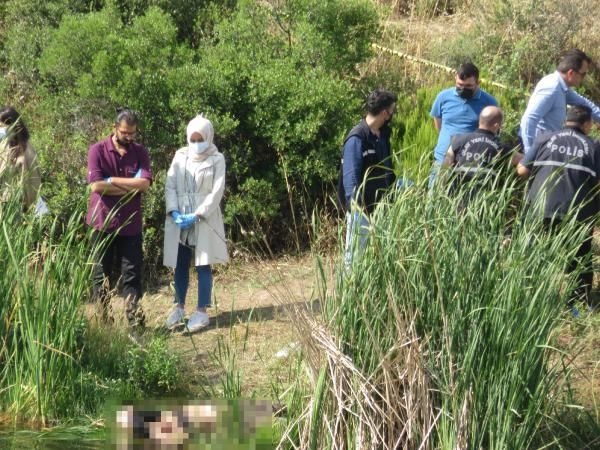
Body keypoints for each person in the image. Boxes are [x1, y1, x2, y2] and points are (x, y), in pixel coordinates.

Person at [517, 105, 600, 307]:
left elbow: (521, 170)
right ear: (587, 124)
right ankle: (577, 306)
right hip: (577, 213)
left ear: (565, 121)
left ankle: (530, 299)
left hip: (540, 208)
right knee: (579, 258)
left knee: (535, 253)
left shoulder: (544, 138)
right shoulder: (593, 146)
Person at [86, 108, 152, 328]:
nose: (129, 137)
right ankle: (104, 322)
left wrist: (112, 180)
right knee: (100, 274)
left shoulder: (140, 152)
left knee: (132, 274)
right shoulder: (97, 150)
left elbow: (144, 184)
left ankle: (135, 322)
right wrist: (131, 188)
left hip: (131, 225)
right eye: (125, 133)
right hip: (102, 223)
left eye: (132, 133)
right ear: (114, 128)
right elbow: (96, 185)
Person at [163, 115, 228, 332]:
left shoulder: (217, 159)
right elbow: (171, 184)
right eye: (193, 139)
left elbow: (217, 191)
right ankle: (179, 307)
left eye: (201, 138)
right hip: (180, 218)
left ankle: (201, 311)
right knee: (180, 263)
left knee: (203, 264)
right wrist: (173, 210)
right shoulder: (180, 156)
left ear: (209, 137)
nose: (197, 143)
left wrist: (199, 214)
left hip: (204, 218)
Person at [340, 89, 396, 265]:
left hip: (382, 206)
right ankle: (349, 292)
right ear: (385, 113)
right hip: (362, 210)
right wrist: (358, 210)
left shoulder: (383, 135)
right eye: (392, 110)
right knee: (355, 259)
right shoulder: (357, 138)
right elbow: (351, 180)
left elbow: (387, 169)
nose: (394, 113)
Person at [520, 49, 600, 158]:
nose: (584, 78)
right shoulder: (552, 88)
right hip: (537, 150)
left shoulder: (562, 87)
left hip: (545, 148)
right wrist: (529, 155)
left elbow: (584, 103)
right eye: (583, 74)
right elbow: (529, 119)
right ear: (571, 73)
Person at [429, 62, 498, 188]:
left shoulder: (488, 102)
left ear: (478, 83)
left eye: (468, 86)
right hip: (442, 158)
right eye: (459, 85)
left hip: (469, 164)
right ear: (455, 79)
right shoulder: (443, 97)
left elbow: (492, 132)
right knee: (434, 201)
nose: (463, 89)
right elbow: (438, 123)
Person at [443, 106, 520, 202]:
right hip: (484, 201)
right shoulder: (500, 147)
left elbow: (445, 165)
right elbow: (523, 161)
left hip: (456, 197)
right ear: (496, 126)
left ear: (480, 121)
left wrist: (442, 189)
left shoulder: (458, 140)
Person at [0, 107, 41, 209]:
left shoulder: (26, 149)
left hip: (16, 205)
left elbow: (30, 181)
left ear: (12, 125)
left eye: (1, 126)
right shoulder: (6, 144)